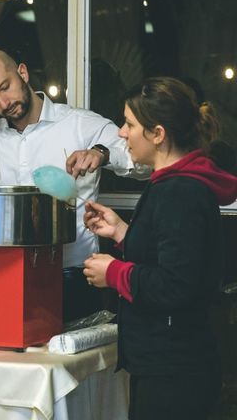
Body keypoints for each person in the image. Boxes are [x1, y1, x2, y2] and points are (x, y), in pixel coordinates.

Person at [83, 77, 237, 419]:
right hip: (170, 363)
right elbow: (172, 252)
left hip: (176, 370)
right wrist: (123, 233)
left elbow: (176, 284)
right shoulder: (175, 184)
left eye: (129, 124)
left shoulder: (180, 192)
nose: (122, 133)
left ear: (158, 134)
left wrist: (114, 272)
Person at [0, 49, 145, 322]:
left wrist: (101, 153)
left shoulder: (81, 124)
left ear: (23, 72)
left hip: (75, 277)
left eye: (5, 88)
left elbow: (144, 164)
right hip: (7, 278)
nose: (3, 103)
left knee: (78, 362)